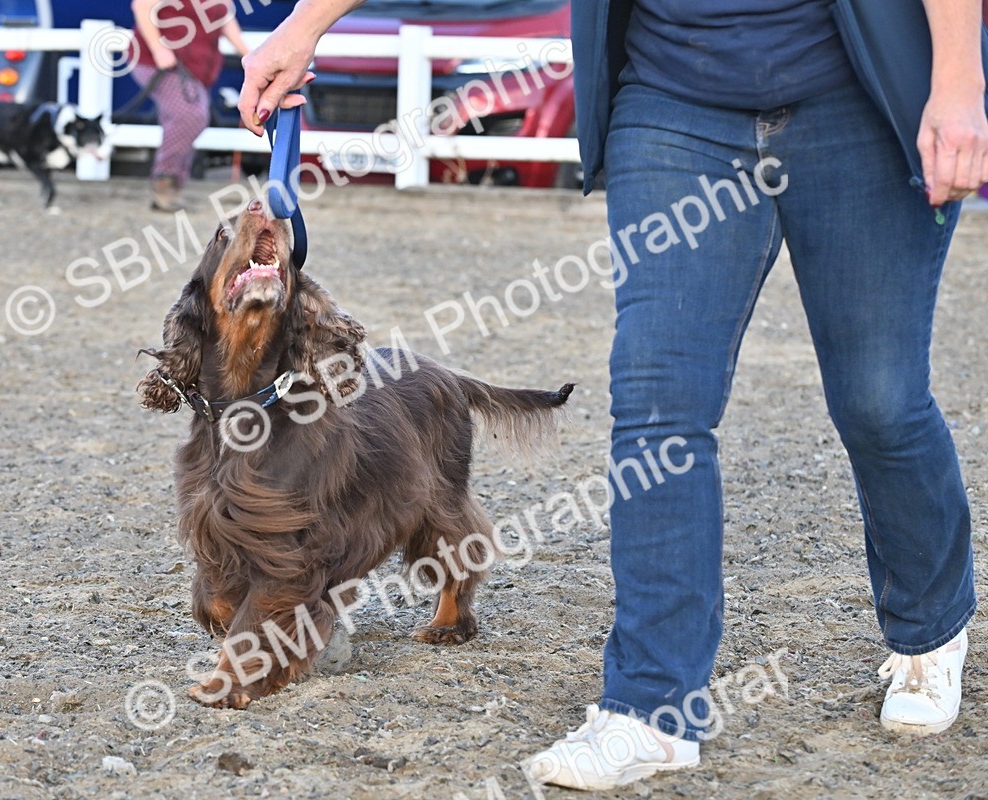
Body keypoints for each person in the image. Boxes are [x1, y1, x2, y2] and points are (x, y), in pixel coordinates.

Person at [237, 0, 988, 791]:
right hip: (677, 101)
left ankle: (929, 631)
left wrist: (957, 82)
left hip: (856, 101)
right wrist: (302, 27)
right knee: (658, 400)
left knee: (880, 401)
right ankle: (650, 709)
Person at [130, 0, 249, 211]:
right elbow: (142, 6)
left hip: (194, 67)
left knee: (186, 119)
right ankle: (165, 179)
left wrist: (249, 56)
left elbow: (225, 19)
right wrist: (158, 49)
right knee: (191, 115)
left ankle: (172, 186)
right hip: (158, 61)